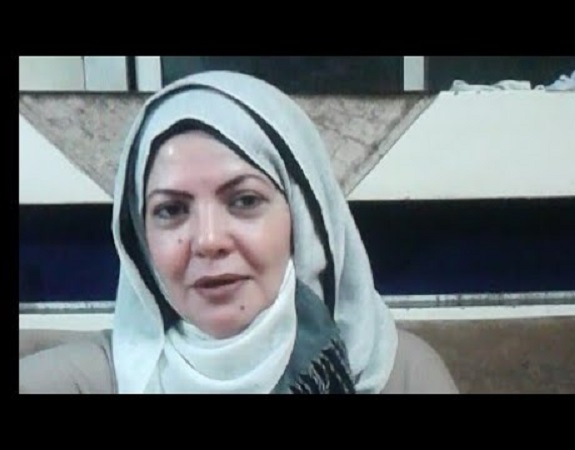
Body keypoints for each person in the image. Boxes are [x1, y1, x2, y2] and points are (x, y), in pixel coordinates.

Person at [19, 71, 458, 394]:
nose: (209, 240)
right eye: (171, 210)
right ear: (141, 242)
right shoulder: (89, 383)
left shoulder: (397, 374)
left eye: (244, 201)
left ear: (302, 221)